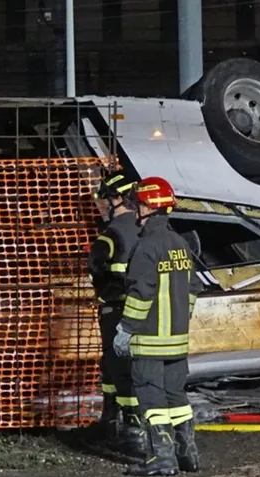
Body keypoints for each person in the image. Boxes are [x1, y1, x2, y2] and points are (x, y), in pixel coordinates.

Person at [114, 176, 203, 477]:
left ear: (149, 208)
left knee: (151, 399)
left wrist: (125, 329)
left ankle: (162, 459)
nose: (135, 210)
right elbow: (193, 288)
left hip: (149, 340)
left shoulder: (146, 247)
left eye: (138, 204)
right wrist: (181, 317)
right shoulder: (181, 244)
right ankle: (187, 454)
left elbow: (140, 294)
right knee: (176, 397)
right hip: (177, 341)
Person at [87, 168, 146, 456]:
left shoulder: (111, 234)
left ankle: (125, 429)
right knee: (121, 366)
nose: (102, 205)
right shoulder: (146, 229)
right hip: (143, 310)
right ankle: (117, 422)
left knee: (117, 366)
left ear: (119, 199)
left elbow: (96, 265)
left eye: (106, 199)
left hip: (114, 310)